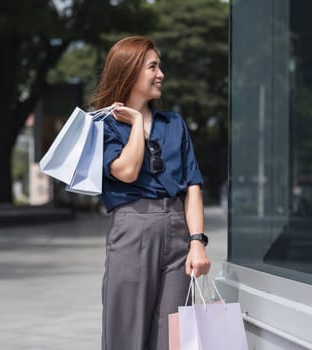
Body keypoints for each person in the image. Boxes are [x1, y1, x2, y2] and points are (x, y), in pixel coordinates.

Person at [91, 36, 211, 350]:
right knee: (126, 334)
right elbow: (127, 171)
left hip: (177, 230)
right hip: (132, 226)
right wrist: (134, 124)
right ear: (129, 72)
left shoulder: (174, 124)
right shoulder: (104, 126)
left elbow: (192, 186)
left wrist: (197, 242)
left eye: (160, 66)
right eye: (152, 67)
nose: (161, 74)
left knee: (172, 337)